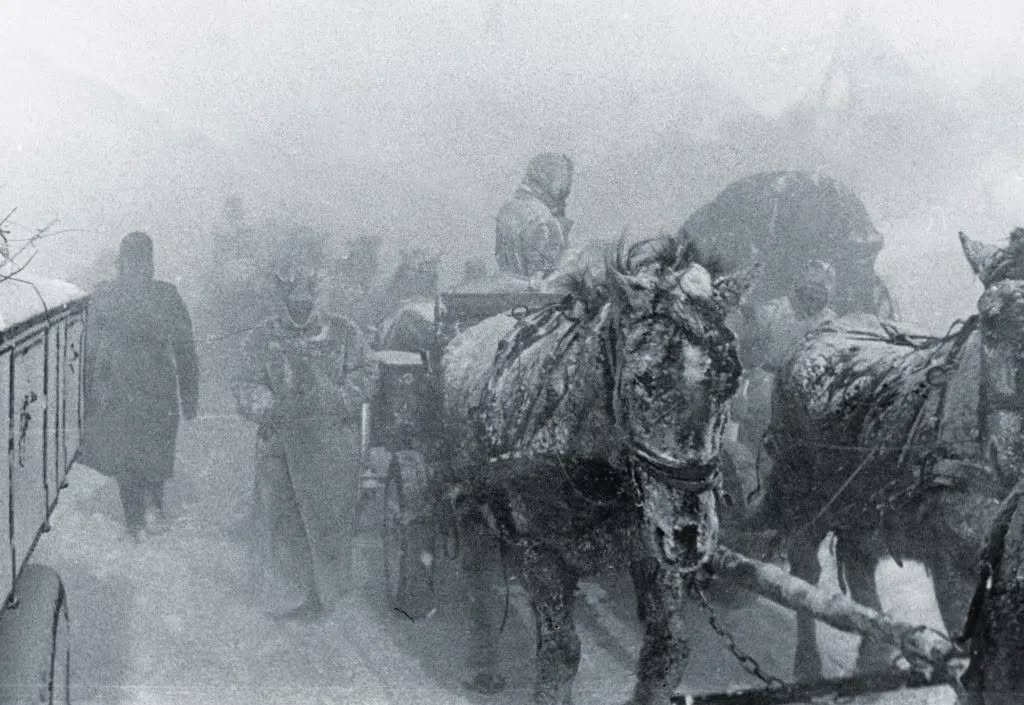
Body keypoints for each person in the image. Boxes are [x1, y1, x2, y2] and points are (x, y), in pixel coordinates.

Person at [232, 247, 379, 621]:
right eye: (293, 298)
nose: (301, 305)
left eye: (307, 297)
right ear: (282, 298)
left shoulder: (344, 333)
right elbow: (246, 383)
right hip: (280, 445)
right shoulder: (263, 338)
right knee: (283, 518)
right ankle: (291, 593)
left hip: (332, 448)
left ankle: (325, 593)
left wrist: (341, 398)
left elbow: (366, 373)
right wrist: (269, 406)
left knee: (329, 521)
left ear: (317, 296)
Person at [82, 231, 199, 540]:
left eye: (143, 261)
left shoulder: (166, 296)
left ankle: (154, 508)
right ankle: (134, 519)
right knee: (127, 457)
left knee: (157, 455)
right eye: (132, 261)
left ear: (150, 263)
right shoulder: (106, 296)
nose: (138, 268)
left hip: (159, 391)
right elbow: (91, 349)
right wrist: (89, 394)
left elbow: (185, 347)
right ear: (122, 264)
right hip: (120, 391)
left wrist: (190, 394)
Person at [495, 152, 574, 279]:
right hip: (535, 292)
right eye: (563, 180)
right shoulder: (544, 217)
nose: (566, 190)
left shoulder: (507, 208)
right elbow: (545, 275)